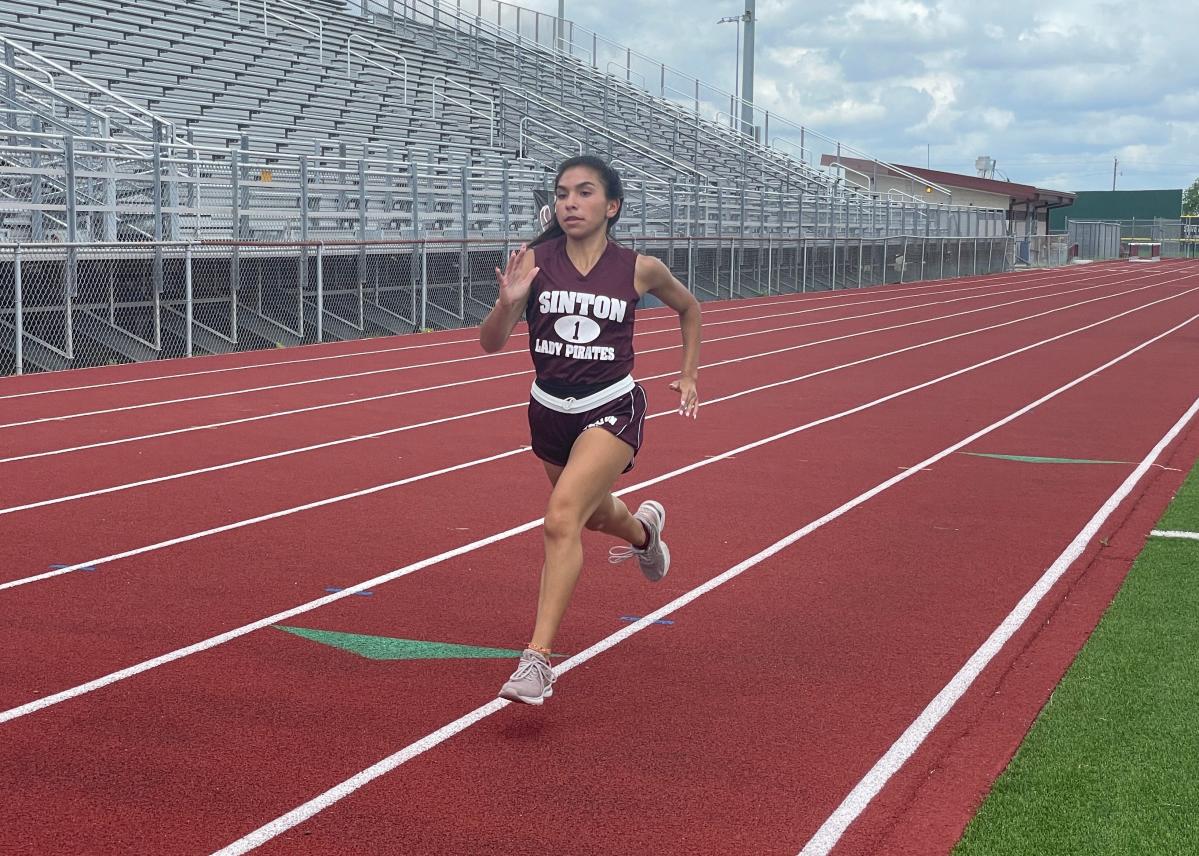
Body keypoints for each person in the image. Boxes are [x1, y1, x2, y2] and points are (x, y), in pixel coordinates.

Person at [479, 154, 701, 705]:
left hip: (611, 405)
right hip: (549, 409)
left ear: (612, 206)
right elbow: (489, 343)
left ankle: (536, 661)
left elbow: (689, 307)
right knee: (594, 513)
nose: (570, 203)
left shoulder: (637, 268)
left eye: (583, 193)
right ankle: (645, 534)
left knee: (561, 520)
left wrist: (689, 374)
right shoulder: (535, 261)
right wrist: (508, 306)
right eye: (562, 194)